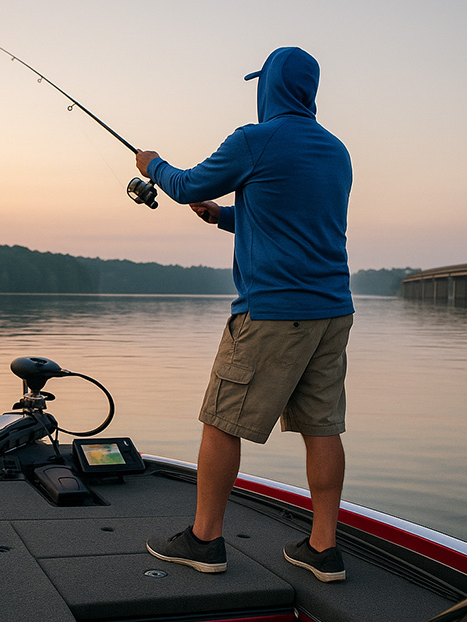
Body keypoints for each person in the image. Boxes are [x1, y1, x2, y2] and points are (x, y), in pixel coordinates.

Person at [141, 47, 354, 582]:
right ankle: (323, 549)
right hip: (332, 312)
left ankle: (205, 540)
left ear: (271, 87)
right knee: (323, 427)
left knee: (221, 421)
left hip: (272, 313)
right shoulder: (336, 151)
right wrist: (224, 218)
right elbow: (292, 217)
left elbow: (187, 184)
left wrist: (152, 165)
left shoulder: (254, 140)